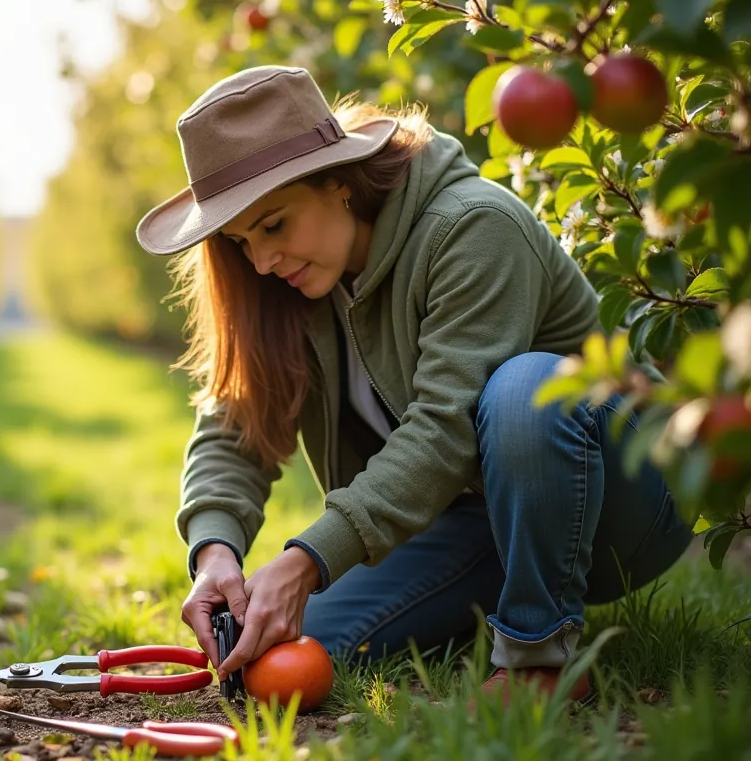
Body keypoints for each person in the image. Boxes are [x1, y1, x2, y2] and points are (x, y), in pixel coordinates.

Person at [134, 65, 694, 707]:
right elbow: (236, 427)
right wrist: (214, 550)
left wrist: (308, 559)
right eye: (240, 241)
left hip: (623, 494)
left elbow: (445, 427)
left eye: (273, 225)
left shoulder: (473, 227)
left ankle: (539, 659)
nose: (260, 261)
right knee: (300, 646)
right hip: (472, 515)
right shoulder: (288, 285)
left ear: (338, 183)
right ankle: (479, 613)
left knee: (524, 387)